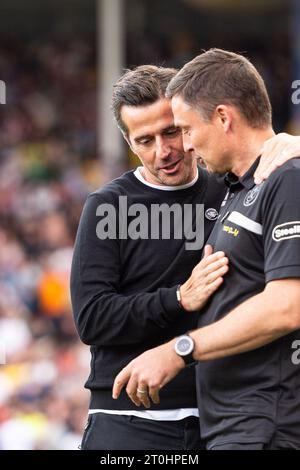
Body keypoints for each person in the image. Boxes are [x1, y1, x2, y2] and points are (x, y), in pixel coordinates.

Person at [71, 64, 299, 450]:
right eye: (144, 140)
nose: (165, 151)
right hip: (129, 420)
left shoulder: (234, 186)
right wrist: (177, 299)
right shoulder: (109, 206)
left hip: (219, 419)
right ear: (129, 144)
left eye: (174, 131)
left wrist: (291, 144)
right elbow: (92, 318)